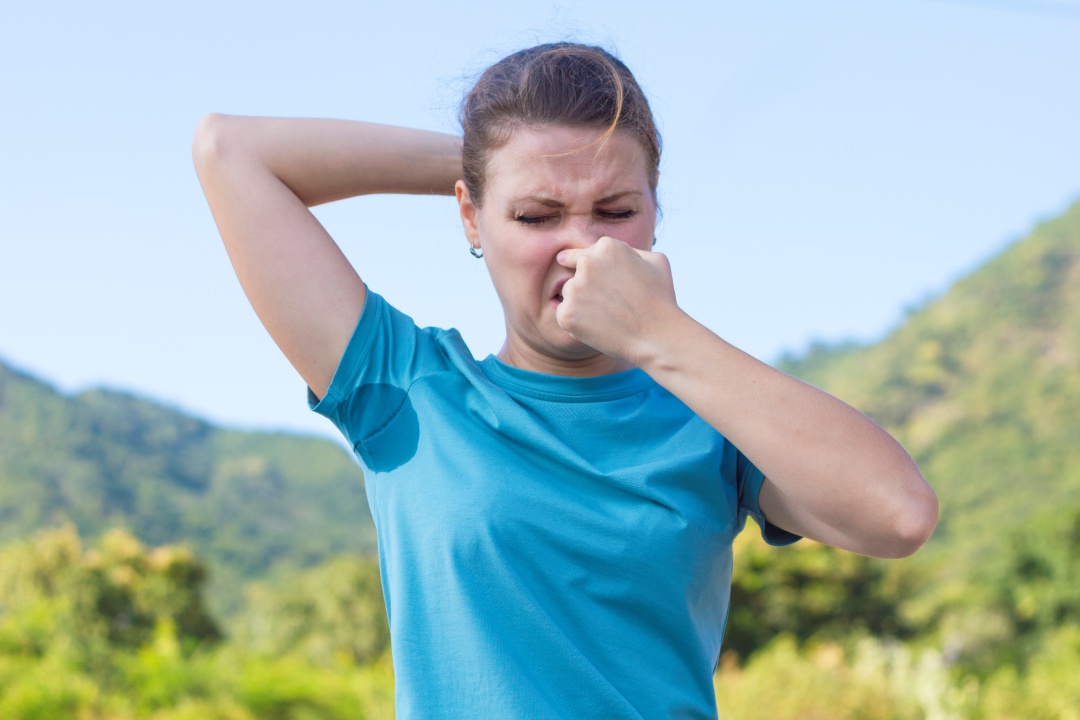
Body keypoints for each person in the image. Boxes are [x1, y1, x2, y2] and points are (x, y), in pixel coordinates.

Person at [193, 42, 938, 719]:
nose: (581, 247)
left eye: (615, 210)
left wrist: (661, 335)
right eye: (535, 214)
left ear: (655, 214)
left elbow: (899, 516)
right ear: (472, 221)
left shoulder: (710, 414)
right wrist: (491, 161)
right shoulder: (407, 389)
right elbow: (230, 151)